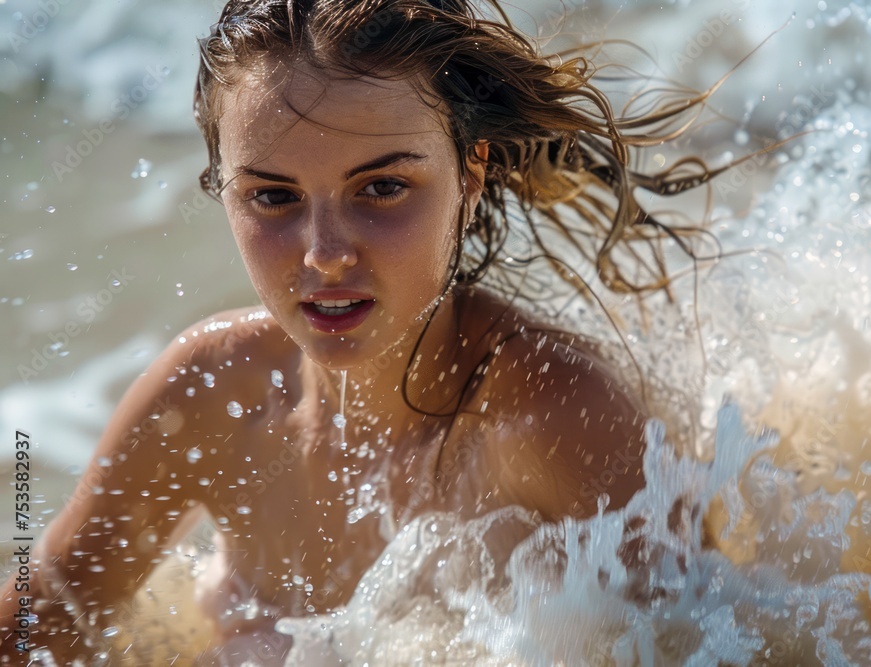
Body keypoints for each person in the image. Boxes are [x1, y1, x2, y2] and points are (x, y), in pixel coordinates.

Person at [0, 0, 728, 662]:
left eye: (382, 187)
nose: (324, 253)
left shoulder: (554, 420)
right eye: (272, 196)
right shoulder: (210, 393)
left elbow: (722, 642)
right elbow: (34, 632)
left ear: (470, 175)